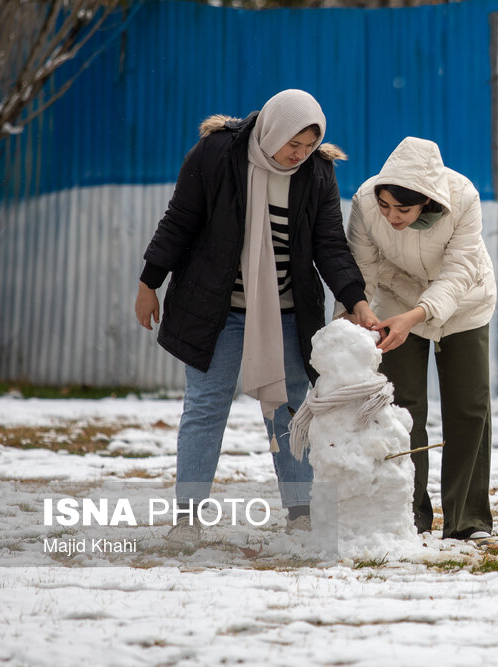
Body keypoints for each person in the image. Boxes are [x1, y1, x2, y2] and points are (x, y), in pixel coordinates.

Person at [134, 89, 379, 545]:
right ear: (274, 131)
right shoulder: (217, 154)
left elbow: (329, 244)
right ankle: (187, 517)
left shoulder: (318, 173)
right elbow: (180, 219)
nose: (299, 156)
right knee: (206, 407)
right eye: (293, 145)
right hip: (216, 309)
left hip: (287, 312)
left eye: (309, 147)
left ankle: (300, 513)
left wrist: (356, 299)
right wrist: (150, 282)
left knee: (291, 410)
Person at [339, 136, 496, 543]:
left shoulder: (463, 198)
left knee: (469, 406)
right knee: (402, 409)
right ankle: (408, 515)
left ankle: (467, 519)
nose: (391, 217)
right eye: (386, 206)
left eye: (403, 209)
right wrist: (357, 312)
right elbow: (362, 268)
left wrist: (417, 316)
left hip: (464, 304)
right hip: (395, 303)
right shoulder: (364, 202)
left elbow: (460, 270)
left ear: (427, 201)